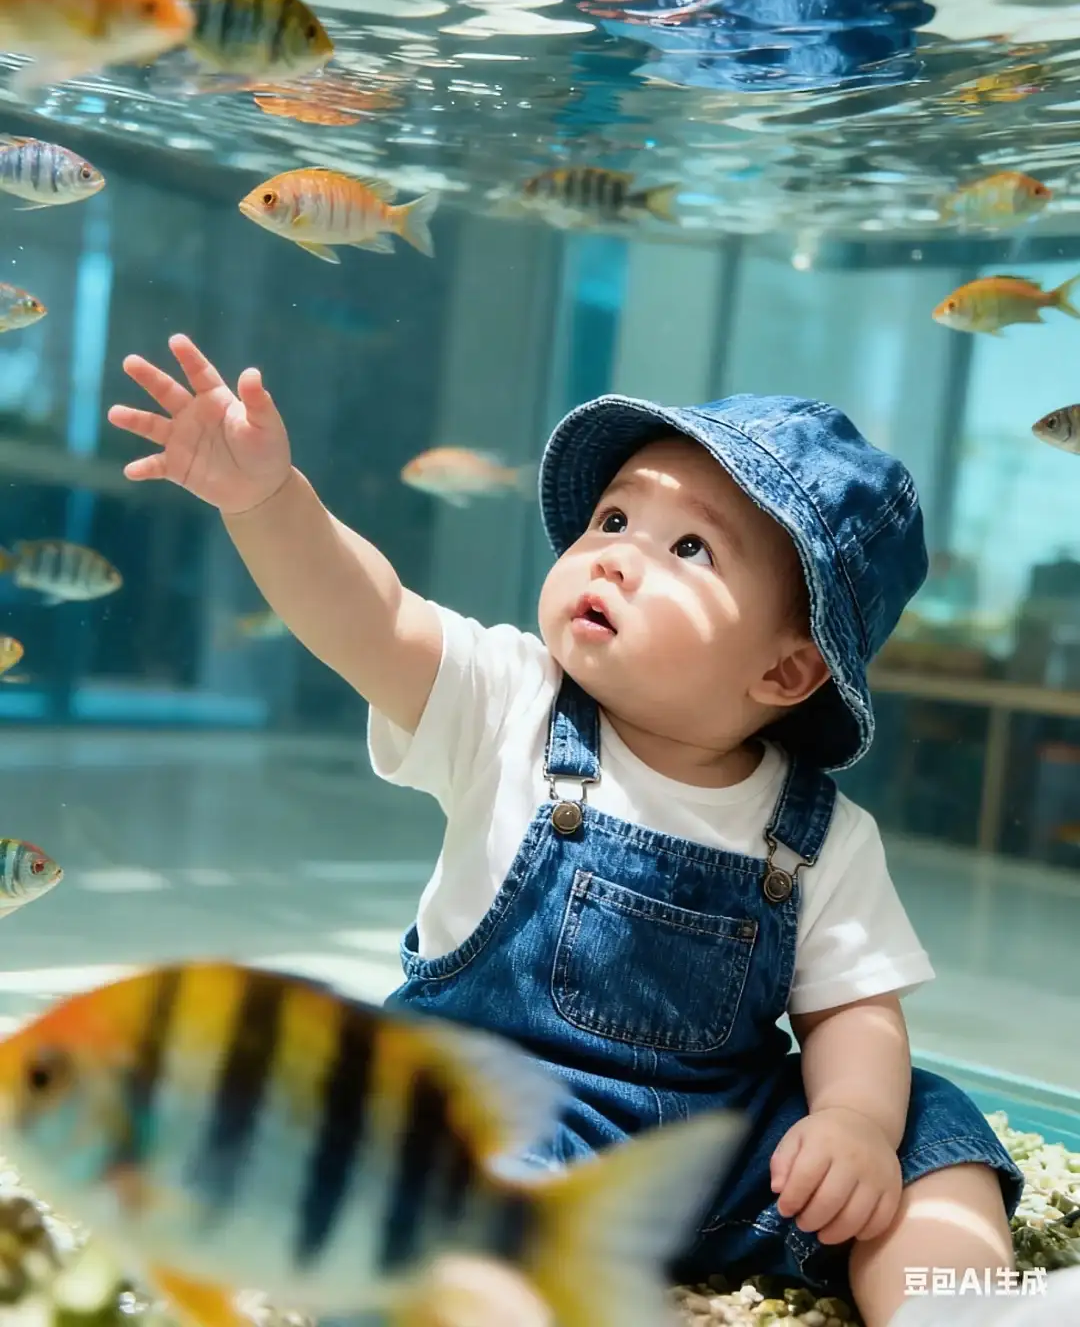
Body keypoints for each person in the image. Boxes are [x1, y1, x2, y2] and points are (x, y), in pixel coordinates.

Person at [109, 335, 1029, 1327]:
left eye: (690, 548)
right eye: (616, 517)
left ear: (786, 672)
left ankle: (952, 1308)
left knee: (933, 1131)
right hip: (504, 1111)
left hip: (715, 1151)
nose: (621, 556)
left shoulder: (819, 833)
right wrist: (267, 499)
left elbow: (854, 1012)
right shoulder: (505, 704)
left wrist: (852, 1122)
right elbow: (366, 614)